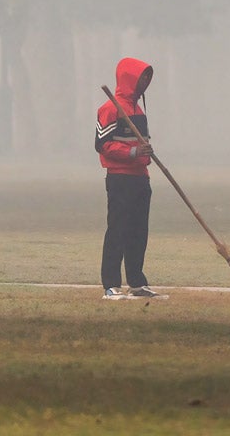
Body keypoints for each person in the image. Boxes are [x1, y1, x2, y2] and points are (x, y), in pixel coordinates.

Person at [96, 55, 161, 300]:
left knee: (138, 231)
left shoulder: (138, 110)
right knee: (118, 231)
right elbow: (102, 145)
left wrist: (145, 154)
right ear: (130, 79)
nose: (145, 83)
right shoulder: (110, 108)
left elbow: (141, 143)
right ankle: (111, 285)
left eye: (147, 79)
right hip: (120, 179)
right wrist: (133, 152)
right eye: (142, 78)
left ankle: (136, 282)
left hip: (141, 179)